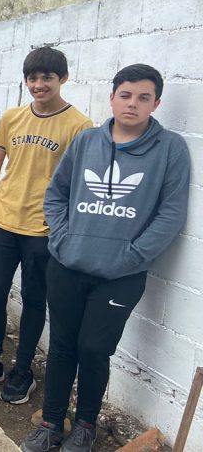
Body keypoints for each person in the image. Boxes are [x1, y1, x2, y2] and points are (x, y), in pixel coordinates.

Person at [21, 65, 190, 452]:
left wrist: (131, 255)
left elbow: (171, 215)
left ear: (155, 103)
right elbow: (56, 193)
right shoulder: (86, 142)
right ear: (112, 97)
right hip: (67, 265)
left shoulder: (170, 149)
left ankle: (85, 425)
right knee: (62, 344)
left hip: (121, 275)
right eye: (126, 95)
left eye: (143, 97)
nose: (133, 104)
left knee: (94, 348)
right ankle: (50, 423)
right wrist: (61, 240)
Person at [0, 47, 92, 405]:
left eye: (46, 78)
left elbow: (80, 184)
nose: (39, 85)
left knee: (35, 299)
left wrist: (63, 230)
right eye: (32, 78)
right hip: (1, 224)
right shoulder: (12, 118)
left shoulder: (80, 126)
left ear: (63, 79)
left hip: (43, 231)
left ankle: (23, 370)